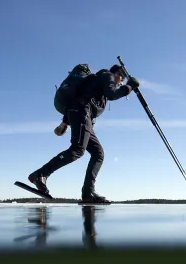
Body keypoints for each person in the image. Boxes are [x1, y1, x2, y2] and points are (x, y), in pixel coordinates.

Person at [28, 64, 140, 203]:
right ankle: (40, 174)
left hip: (83, 116)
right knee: (78, 149)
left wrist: (66, 122)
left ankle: (88, 192)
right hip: (81, 112)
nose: (120, 83)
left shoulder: (99, 84)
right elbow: (112, 94)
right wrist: (129, 87)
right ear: (117, 73)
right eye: (121, 79)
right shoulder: (107, 75)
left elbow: (84, 96)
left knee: (98, 153)